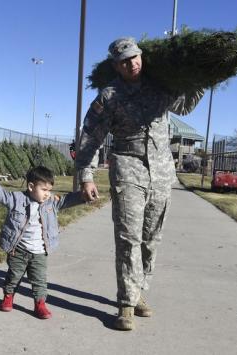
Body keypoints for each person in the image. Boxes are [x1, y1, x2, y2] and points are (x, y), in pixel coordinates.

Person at [76, 37, 204, 330]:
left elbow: (184, 107)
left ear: (141, 55)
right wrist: (86, 175)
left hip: (161, 171)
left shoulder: (160, 86)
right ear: (114, 65)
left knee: (151, 237)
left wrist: (202, 79)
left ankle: (139, 290)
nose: (131, 64)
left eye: (135, 57)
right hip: (127, 168)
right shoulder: (109, 96)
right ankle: (126, 303)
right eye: (124, 61)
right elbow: (91, 136)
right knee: (128, 236)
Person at [0, 165, 84, 319]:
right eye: (44, 190)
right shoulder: (17, 199)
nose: (47, 194)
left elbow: (66, 200)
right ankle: (8, 298)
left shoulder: (51, 203)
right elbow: (1, 195)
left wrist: (84, 196)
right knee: (13, 276)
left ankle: (40, 304)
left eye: (49, 190)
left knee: (39, 280)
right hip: (18, 250)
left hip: (39, 252)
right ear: (31, 186)